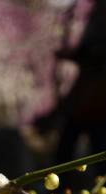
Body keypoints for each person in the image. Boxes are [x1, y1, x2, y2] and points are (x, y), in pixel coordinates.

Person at [53, 0, 106, 165]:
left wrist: (78, 54)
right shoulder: (97, 11)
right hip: (86, 94)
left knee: (93, 137)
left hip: (95, 94)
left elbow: (96, 50)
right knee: (73, 136)